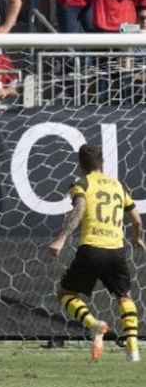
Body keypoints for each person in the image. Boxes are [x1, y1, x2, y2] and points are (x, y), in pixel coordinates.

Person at [48, 144, 144, 362]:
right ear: (102, 162)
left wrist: (61, 238)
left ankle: (93, 325)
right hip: (116, 251)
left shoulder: (81, 183)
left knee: (64, 294)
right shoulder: (118, 185)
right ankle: (133, 350)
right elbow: (137, 219)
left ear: (80, 165)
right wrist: (137, 237)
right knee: (125, 297)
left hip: (91, 249)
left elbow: (80, 208)